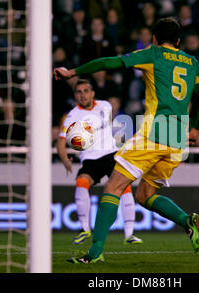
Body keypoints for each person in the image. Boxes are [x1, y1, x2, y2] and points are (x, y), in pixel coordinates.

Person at [55, 17, 199, 263]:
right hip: (178, 138)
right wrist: (197, 129)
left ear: (154, 38)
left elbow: (111, 62)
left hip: (155, 132)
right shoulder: (192, 61)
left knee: (113, 187)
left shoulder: (153, 54)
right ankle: (186, 220)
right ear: (178, 41)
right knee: (144, 195)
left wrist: (73, 72)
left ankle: (94, 253)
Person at [57, 79, 143, 245]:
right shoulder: (72, 116)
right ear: (75, 95)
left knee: (124, 186)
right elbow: (60, 142)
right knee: (81, 182)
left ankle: (129, 234)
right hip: (90, 158)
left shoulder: (105, 106)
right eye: (79, 92)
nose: (82, 95)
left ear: (92, 93)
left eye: (85, 91)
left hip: (111, 154)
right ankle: (84, 229)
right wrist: (64, 159)